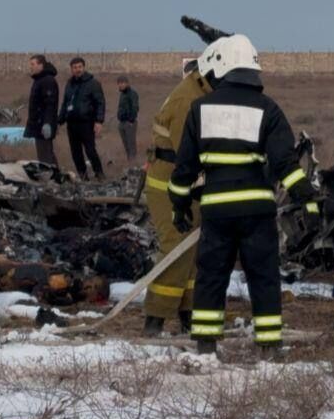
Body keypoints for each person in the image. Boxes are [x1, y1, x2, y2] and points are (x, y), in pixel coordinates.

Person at [168, 35, 318, 356]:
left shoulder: (200, 109)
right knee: (263, 278)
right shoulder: (269, 109)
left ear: (220, 66)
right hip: (257, 212)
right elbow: (285, 165)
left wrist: (179, 206)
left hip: (216, 212)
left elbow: (183, 171)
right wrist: (308, 199)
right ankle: (269, 347)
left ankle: (206, 346)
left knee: (211, 277)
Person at [141, 50, 217, 336]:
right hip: (170, 183)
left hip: (187, 181)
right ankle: (155, 318)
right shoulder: (189, 100)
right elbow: (190, 151)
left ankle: (189, 313)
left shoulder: (201, 91)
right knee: (176, 247)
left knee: (193, 251)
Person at [58, 57, 106, 180]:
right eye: (75, 67)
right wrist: (60, 120)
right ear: (71, 69)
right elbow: (65, 103)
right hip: (72, 123)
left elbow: (100, 103)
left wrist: (99, 121)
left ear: (83, 67)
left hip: (86, 123)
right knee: (76, 153)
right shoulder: (70, 84)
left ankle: (99, 174)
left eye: (79, 67)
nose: (77, 70)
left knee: (90, 150)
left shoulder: (93, 83)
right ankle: (83, 177)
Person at [24, 54, 59, 166]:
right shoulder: (39, 80)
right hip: (38, 123)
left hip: (43, 124)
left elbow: (50, 104)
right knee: (45, 153)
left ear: (41, 65)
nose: (31, 67)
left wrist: (47, 123)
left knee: (45, 156)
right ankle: (56, 175)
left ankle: (51, 178)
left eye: (33, 64)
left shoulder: (47, 80)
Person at [116, 76, 140, 164]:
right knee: (126, 145)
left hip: (129, 123)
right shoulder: (122, 94)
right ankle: (129, 162)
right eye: (119, 83)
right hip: (121, 123)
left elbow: (135, 108)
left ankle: (134, 164)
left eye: (122, 83)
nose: (121, 85)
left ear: (127, 83)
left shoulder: (132, 93)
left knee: (131, 145)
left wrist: (131, 120)